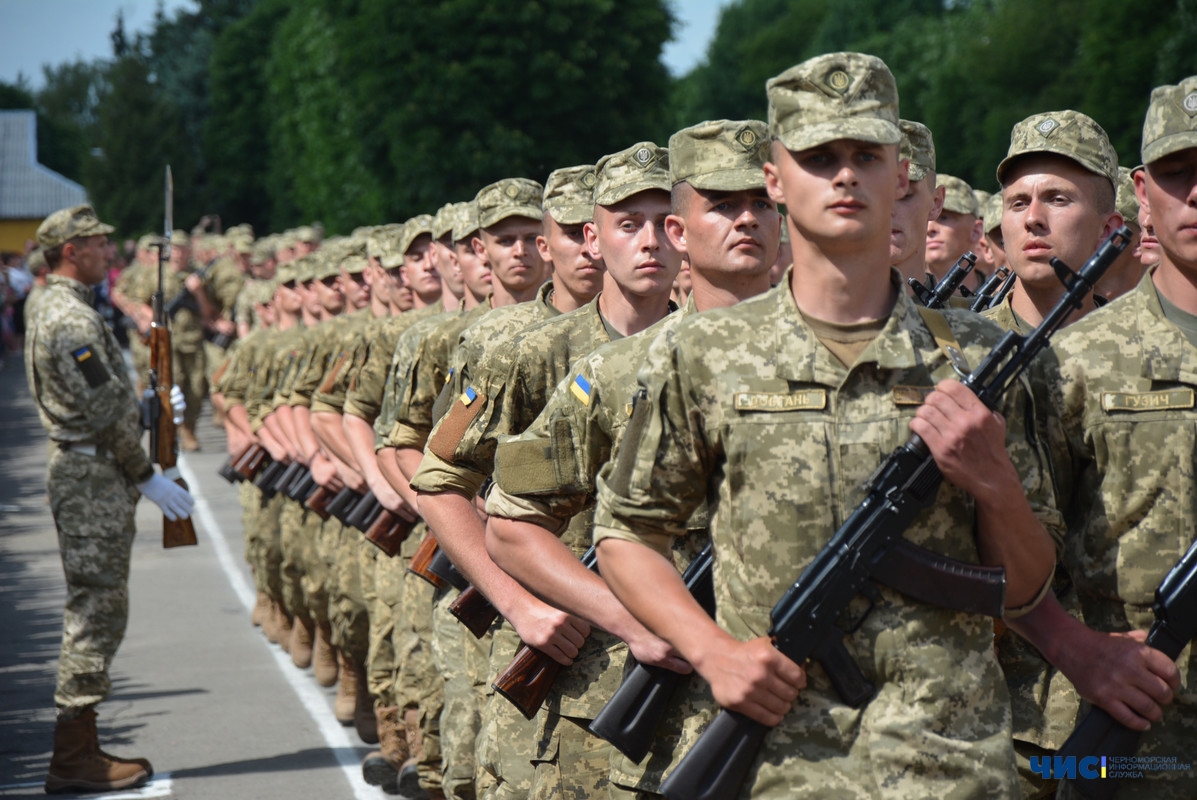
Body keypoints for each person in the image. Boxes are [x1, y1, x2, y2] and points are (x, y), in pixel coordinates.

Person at [593, 52, 1061, 798]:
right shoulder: (704, 352)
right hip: (784, 763)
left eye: (864, 155)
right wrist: (713, 653)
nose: (843, 175)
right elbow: (624, 535)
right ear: (775, 180)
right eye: (818, 157)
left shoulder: (978, 357)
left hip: (949, 764)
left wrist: (995, 481)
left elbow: (1029, 587)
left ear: (900, 177)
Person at [1019, 76, 1197, 800]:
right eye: (1180, 175)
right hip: (1126, 734)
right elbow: (1010, 550)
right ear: (1141, 190)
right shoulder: (1073, 362)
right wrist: (1073, 648)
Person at [25, 204, 194, 794]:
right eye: (98, 244)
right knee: (96, 612)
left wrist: (146, 409)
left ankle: (84, 742)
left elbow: (100, 398)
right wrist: (147, 473)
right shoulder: (70, 320)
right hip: (92, 475)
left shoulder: (56, 304)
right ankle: (73, 755)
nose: (108, 252)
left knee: (97, 607)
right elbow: (99, 407)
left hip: (89, 468)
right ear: (71, 251)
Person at [890, 119, 945, 289]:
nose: (888, 209)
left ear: (936, 203)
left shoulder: (968, 315)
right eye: (876, 194)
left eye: (905, 195)